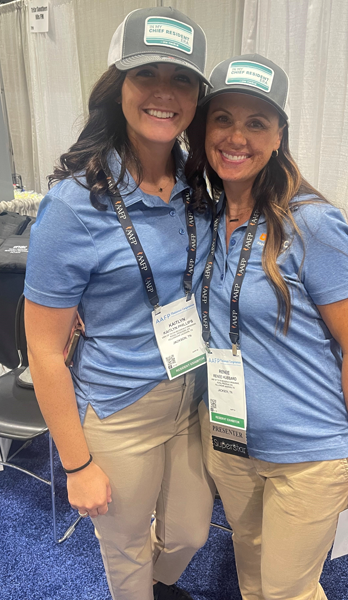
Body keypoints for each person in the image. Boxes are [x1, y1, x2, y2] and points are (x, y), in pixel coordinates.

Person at [24, 8, 215, 600]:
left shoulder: (201, 181)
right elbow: (44, 349)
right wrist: (77, 466)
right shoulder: (73, 204)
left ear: (197, 98)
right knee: (125, 549)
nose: (164, 92)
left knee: (190, 533)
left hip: (192, 396)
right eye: (146, 75)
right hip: (119, 410)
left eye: (181, 79)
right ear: (117, 88)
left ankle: (160, 585)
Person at [184, 54, 348, 600]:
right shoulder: (203, 217)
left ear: (279, 136)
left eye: (257, 123)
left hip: (307, 457)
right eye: (223, 118)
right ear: (204, 129)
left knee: (287, 591)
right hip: (230, 442)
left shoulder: (312, 224)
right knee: (252, 573)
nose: (237, 136)